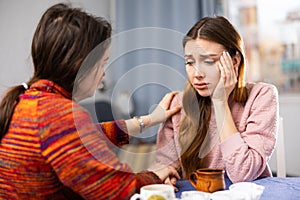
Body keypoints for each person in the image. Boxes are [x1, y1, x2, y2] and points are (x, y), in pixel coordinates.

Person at [0, 3, 181, 200]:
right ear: (80, 64)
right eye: (102, 63)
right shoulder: (57, 114)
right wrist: (155, 174)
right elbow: (117, 190)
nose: (104, 73)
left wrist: (151, 119)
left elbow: (91, 135)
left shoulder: (27, 102)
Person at [155, 16, 279, 184]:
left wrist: (220, 102)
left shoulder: (261, 96)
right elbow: (165, 168)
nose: (197, 73)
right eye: (190, 62)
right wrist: (166, 176)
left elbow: (242, 173)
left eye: (208, 61)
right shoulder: (177, 104)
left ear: (234, 62)